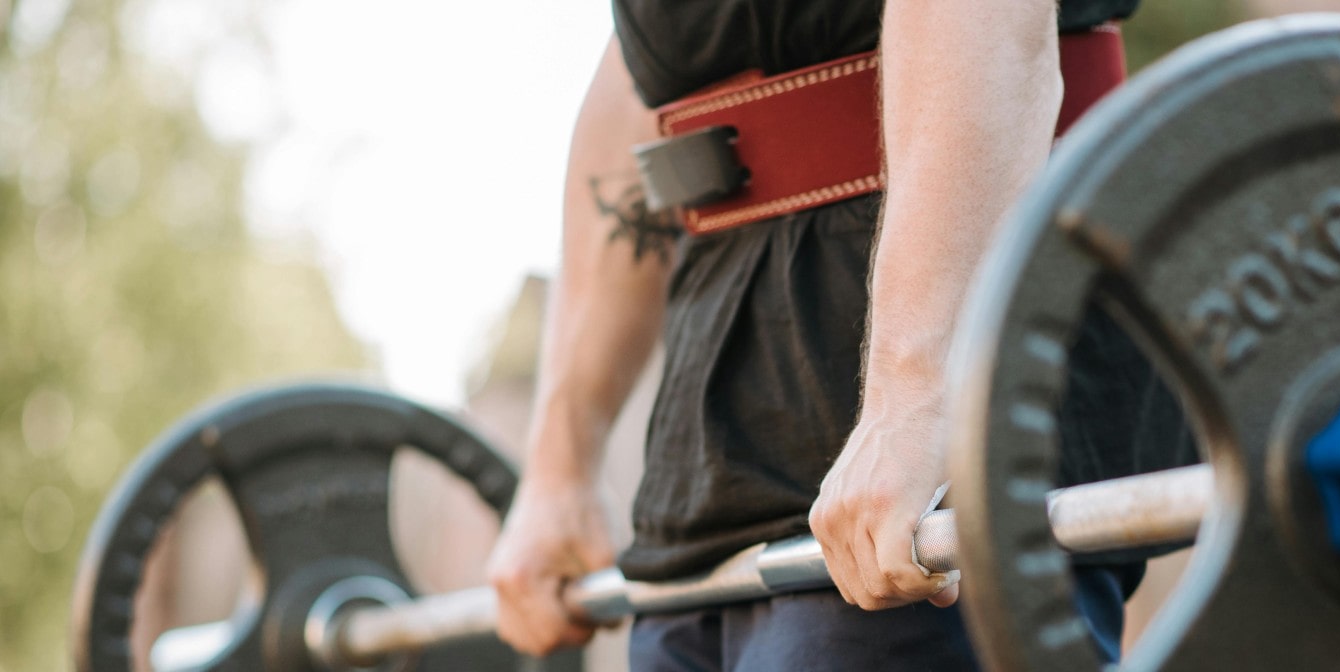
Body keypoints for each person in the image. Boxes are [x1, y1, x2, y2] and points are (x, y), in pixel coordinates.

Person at [485, 1, 1189, 668]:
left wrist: (919, 395)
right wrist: (558, 473)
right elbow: (644, 62)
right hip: (706, 455)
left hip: (930, 423)